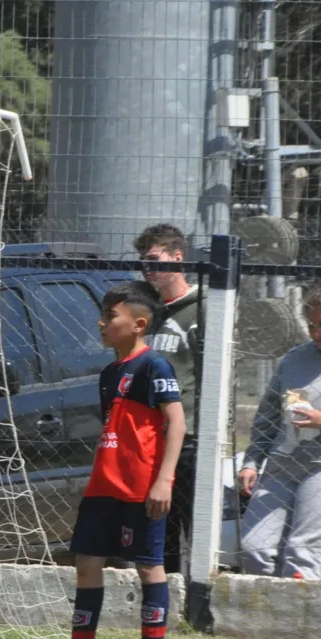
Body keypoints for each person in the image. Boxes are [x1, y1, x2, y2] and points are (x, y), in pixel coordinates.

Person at [28, 281, 184, 639]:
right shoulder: (109, 373)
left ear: (139, 324)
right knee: (86, 563)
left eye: (111, 315)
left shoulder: (155, 366)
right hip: (104, 485)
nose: (102, 322)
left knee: (149, 567)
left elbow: (177, 423)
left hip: (141, 486)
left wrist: (164, 479)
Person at [236, 281, 321, 581]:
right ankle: (262, 621)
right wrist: (251, 461)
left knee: (303, 551)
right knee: (253, 548)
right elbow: (268, 416)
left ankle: (302, 624)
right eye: (312, 324)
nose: (316, 334)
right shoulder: (295, 358)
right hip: (283, 462)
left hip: (319, 469)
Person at [136, 224, 200, 574]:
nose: (149, 269)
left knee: (193, 524)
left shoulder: (201, 309)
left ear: (178, 257)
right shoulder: (149, 312)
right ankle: (165, 595)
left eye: (155, 259)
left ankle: (197, 598)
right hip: (151, 437)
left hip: (188, 439)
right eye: (143, 262)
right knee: (160, 530)